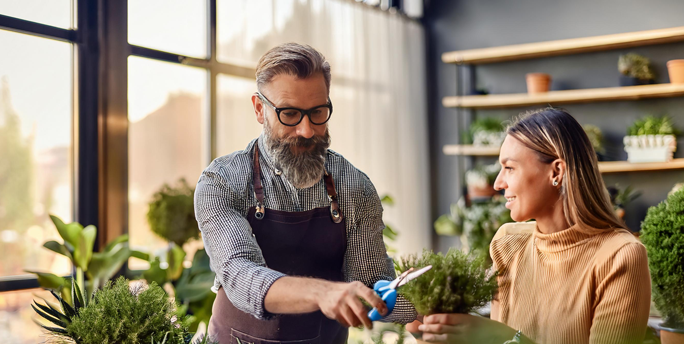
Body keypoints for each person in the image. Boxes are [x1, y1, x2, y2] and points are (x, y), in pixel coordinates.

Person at [194, 43, 416, 344]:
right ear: (260, 109)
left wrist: (424, 309)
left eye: (318, 112)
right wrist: (322, 292)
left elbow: (370, 282)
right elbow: (241, 276)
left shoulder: (354, 186)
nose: (307, 130)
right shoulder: (222, 182)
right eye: (289, 114)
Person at [410, 108, 651, 344]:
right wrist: (435, 331)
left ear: (556, 171)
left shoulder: (620, 256)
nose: (497, 183)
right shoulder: (508, 243)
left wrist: (498, 336)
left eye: (510, 168)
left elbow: (497, 336)